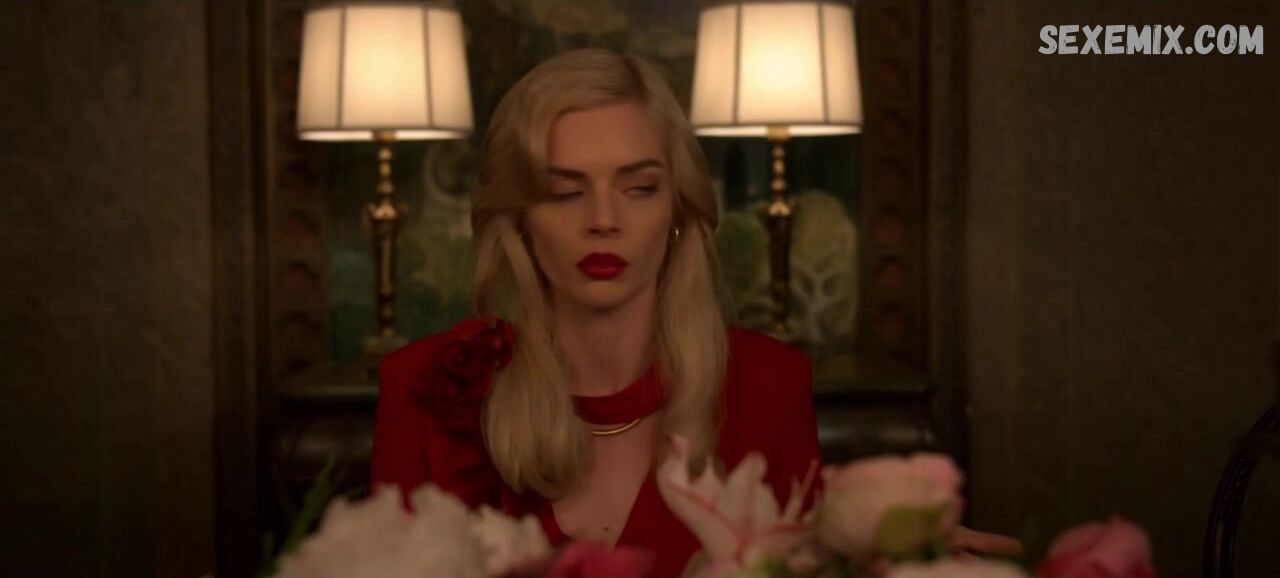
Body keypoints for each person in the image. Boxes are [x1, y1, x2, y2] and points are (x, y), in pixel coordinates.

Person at [370, 48, 1018, 576]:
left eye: (640, 188)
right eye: (565, 192)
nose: (604, 219)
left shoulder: (768, 386)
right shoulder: (425, 391)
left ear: (678, 209)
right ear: (519, 220)